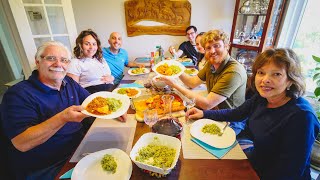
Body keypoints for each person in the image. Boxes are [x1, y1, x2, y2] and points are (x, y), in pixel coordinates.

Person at [0, 41, 127, 179]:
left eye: (64, 60)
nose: (58, 64)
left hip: (79, 148)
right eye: (51, 58)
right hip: (50, 166)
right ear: (38, 62)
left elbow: (93, 101)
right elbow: (21, 142)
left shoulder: (68, 82)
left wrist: (116, 109)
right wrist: (62, 117)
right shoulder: (18, 94)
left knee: (124, 155)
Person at [186, 48, 320, 179]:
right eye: (261, 72)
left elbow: (289, 172)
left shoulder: (302, 117)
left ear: (290, 79)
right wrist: (204, 114)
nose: (265, 80)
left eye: (276, 74)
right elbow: (236, 113)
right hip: (257, 161)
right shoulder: (262, 97)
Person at [161, 29, 247, 135]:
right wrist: (176, 68)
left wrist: (174, 84)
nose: (212, 51)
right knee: (180, 125)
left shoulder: (234, 71)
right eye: (208, 48)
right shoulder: (211, 64)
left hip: (231, 121)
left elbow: (207, 104)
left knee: (190, 134)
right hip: (214, 112)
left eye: (217, 46)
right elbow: (192, 83)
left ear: (226, 46)